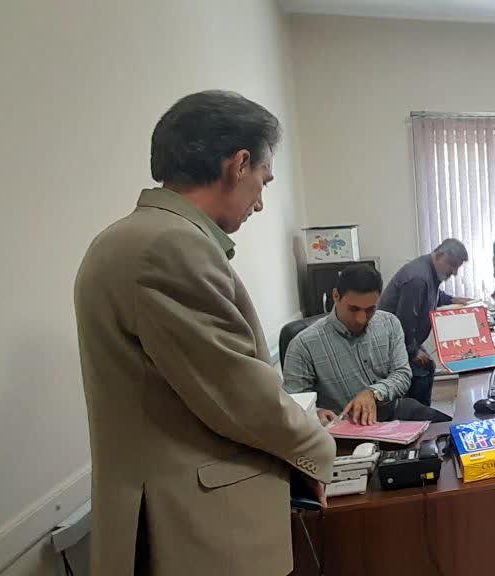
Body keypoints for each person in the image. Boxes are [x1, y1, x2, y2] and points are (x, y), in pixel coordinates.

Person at [74, 90, 336, 575]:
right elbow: (237, 392)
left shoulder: (132, 238)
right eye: (263, 181)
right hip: (198, 531)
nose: (260, 203)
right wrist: (320, 448)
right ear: (239, 164)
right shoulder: (168, 246)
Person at [283, 264, 451, 423]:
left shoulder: (389, 323)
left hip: (393, 413)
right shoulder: (303, 345)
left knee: (449, 431)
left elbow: (402, 374)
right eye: (353, 309)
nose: (361, 319)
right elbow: (294, 403)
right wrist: (316, 413)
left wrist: (373, 393)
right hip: (347, 426)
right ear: (335, 296)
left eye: (370, 309)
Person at [378, 239, 473, 406]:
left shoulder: (429, 270)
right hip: (392, 341)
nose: (454, 272)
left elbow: (432, 294)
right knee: (422, 371)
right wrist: (413, 351)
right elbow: (404, 320)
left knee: (427, 367)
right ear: (440, 255)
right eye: (452, 265)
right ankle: (417, 414)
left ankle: (421, 412)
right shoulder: (418, 278)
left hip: (403, 337)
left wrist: (453, 299)